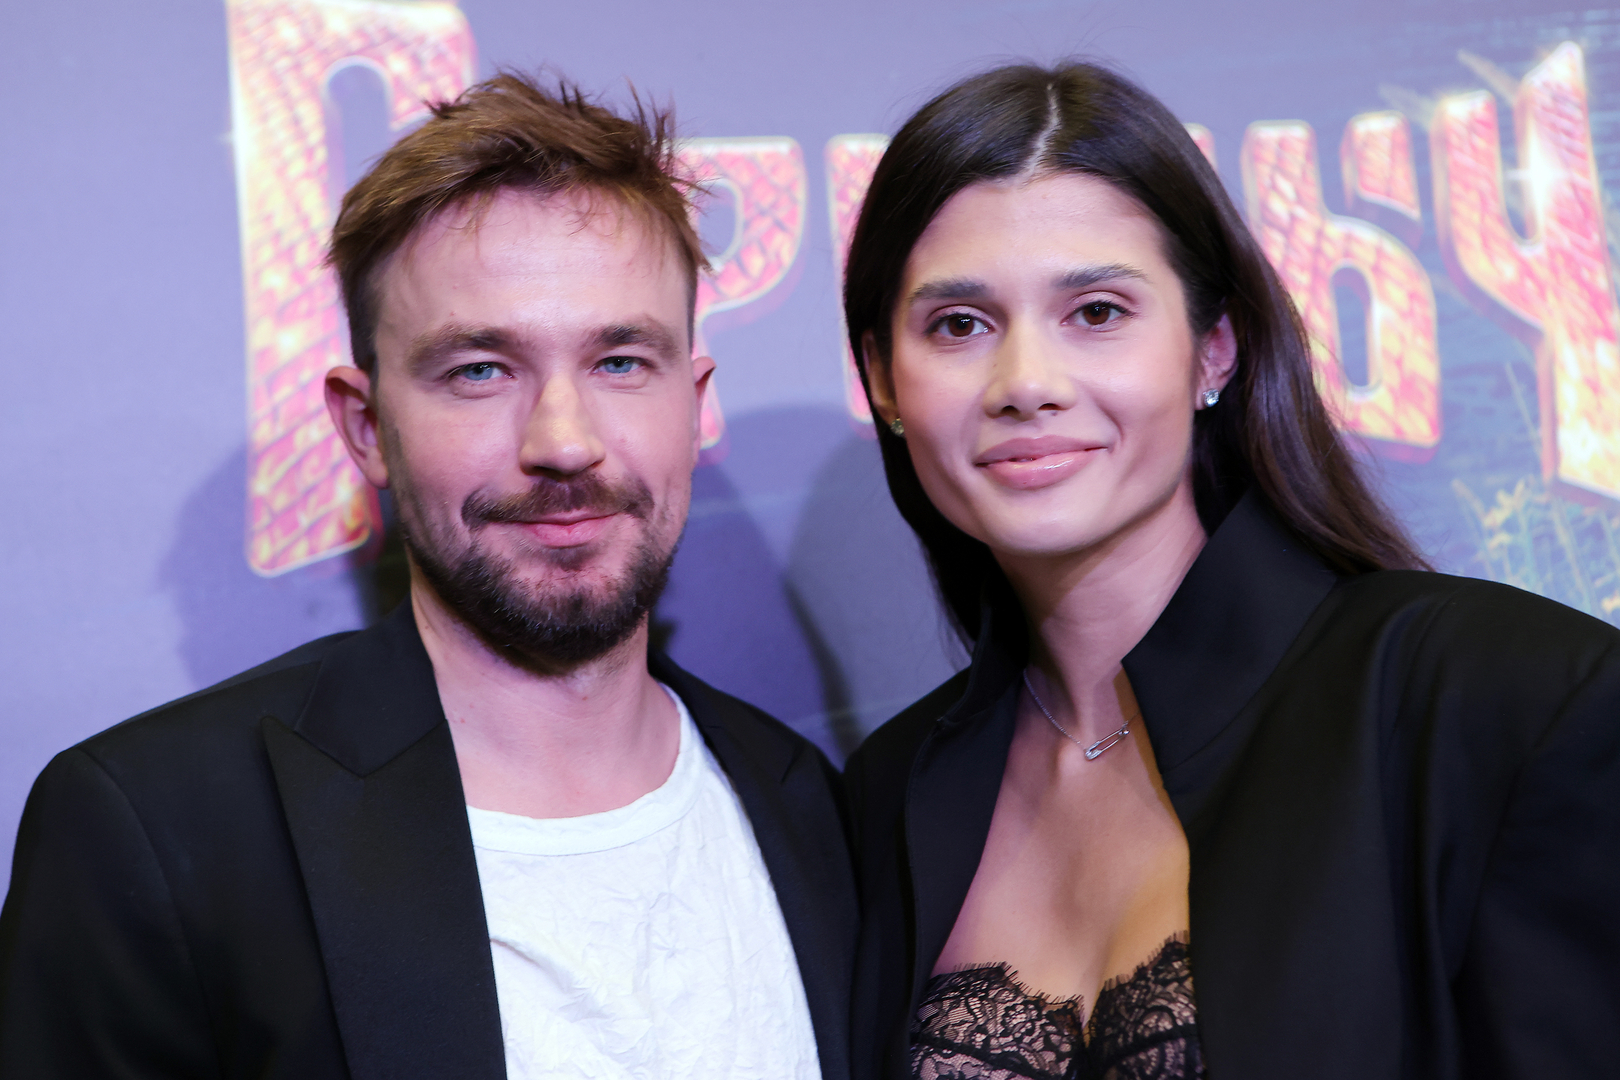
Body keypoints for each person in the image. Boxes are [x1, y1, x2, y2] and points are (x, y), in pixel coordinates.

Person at [0, 74, 855, 1080]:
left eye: (621, 362)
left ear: (697, 403)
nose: (563, 442)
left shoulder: (814, 807)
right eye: (479, 370)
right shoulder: (152, 828)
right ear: (366, 427)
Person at [840, 61, 1620, 1080]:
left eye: (1097, 312)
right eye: (959, 325)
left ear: (1215, 349)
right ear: (884, 380)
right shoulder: (885, 796)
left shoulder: (1500, 697)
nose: (1025, 383)